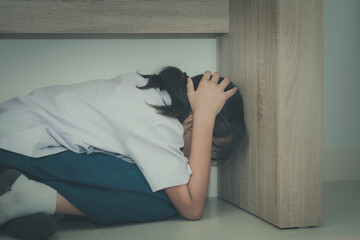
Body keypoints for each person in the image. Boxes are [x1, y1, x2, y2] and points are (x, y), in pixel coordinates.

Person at [0, 66, 248, 239]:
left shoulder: (159, 100)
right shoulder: (157, 124)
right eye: (211, 146)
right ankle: (28, 197)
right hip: (17, 144)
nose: (207, 153)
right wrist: (205, 120)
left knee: (162, 185)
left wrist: (202, 121)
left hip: (24, 145)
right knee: (165, 199)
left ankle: (19, 195)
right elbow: (192, 208)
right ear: (191, 123)